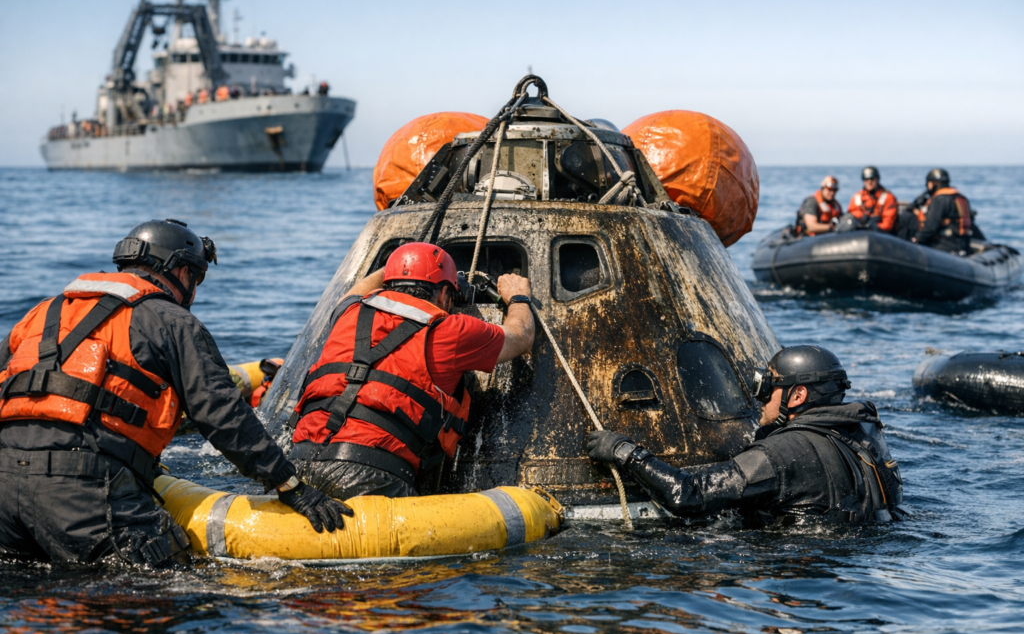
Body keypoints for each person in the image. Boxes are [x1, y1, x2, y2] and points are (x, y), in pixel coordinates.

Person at [0, 219, 350, 566]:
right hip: (83, 495)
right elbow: (223, 416)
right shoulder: (171, 321)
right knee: (167, 586)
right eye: (195, 278)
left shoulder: (40, 314)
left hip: (4, 491)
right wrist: (290, 485)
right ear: (182, 273)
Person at [289, 242, 536, 500]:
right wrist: (517, 298)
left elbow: (357, 291)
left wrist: (406, 262)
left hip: (299, 463)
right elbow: (521, 335)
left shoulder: (347, 312)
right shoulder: (452, 330)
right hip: (369, 474)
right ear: (443, 296)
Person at [588, 346, 904, 524]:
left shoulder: (783, 451)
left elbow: (688, 496)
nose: (759, 398)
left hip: (797, 566)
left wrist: (626, 452)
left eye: (768, 387)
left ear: (797, 396)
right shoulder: (862, 437)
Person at [905, 169, 979, 254]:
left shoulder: (939, 199)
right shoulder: (959, 197)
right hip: (962, 244)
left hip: (945, 245)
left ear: (934, 183)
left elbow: (930, 227)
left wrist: (916, 240)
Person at [847, 166, 898, 234]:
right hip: (860, 232)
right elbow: (851, 214)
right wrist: (862, 219)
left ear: (877, 179)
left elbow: (888, 223)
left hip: (880, 232)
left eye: (872, 179)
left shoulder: (888, 197)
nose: (869, 182)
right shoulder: (857, 197)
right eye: (866, 179)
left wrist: (874, 226)